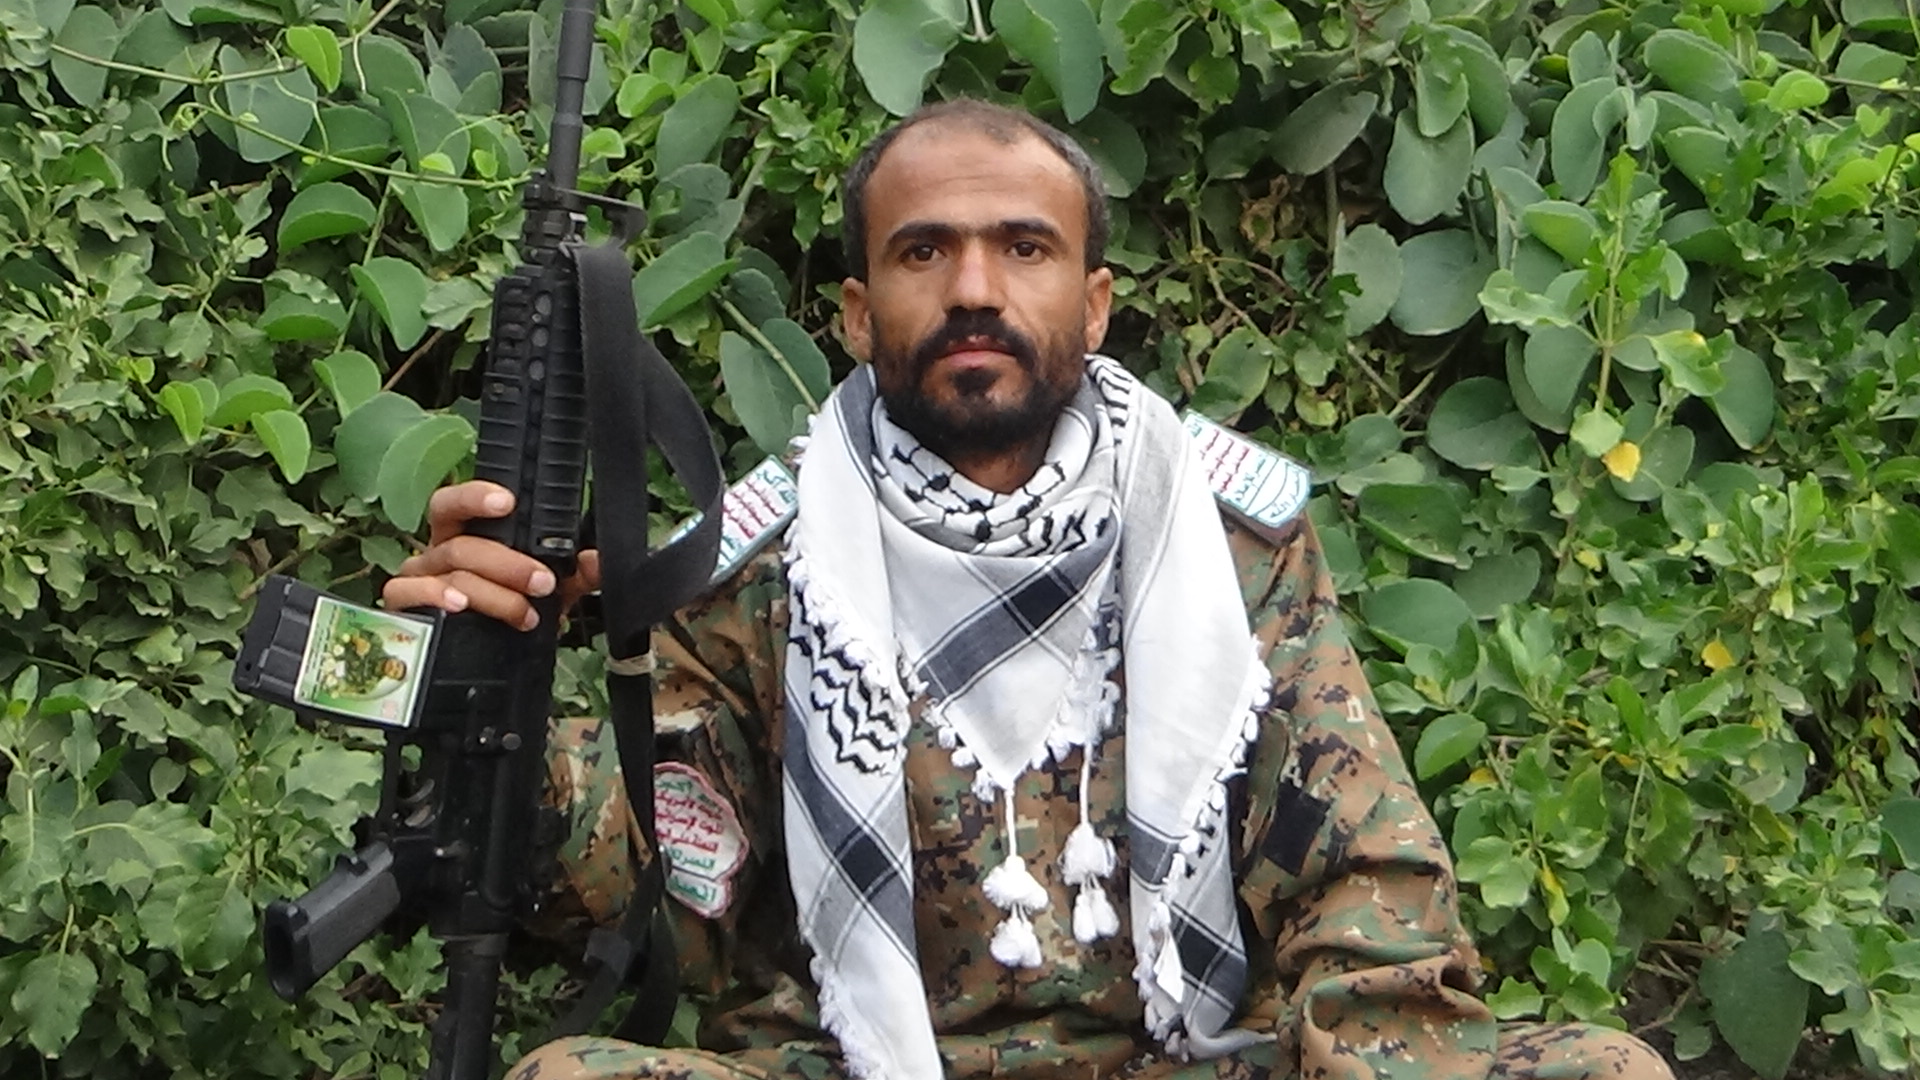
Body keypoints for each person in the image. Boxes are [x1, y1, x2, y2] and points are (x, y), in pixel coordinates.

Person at [384, 100, 1674, 1080]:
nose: (974, 290)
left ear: (1095, 303)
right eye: (924, 251)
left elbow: (1361, 874)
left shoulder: (1226, 537)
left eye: (1024, 247)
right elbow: (665, 896)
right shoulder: (759, 570)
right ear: (856, 313)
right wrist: (467, 688)